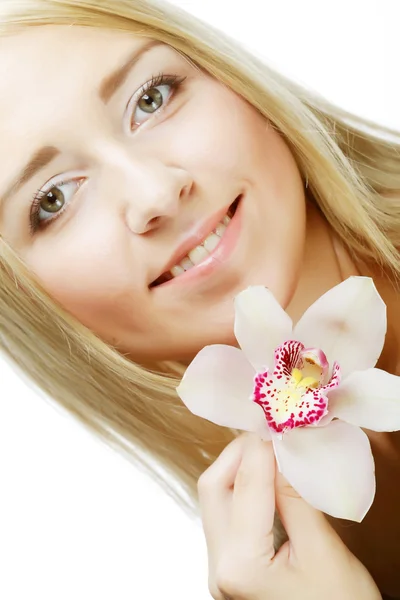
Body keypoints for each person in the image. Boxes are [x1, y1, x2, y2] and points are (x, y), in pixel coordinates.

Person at [0, 0, 398, 598]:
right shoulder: (274, 540)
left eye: (151, 98)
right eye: (53, 200)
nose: (155, 191)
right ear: (31, 308)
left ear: (229, 75)